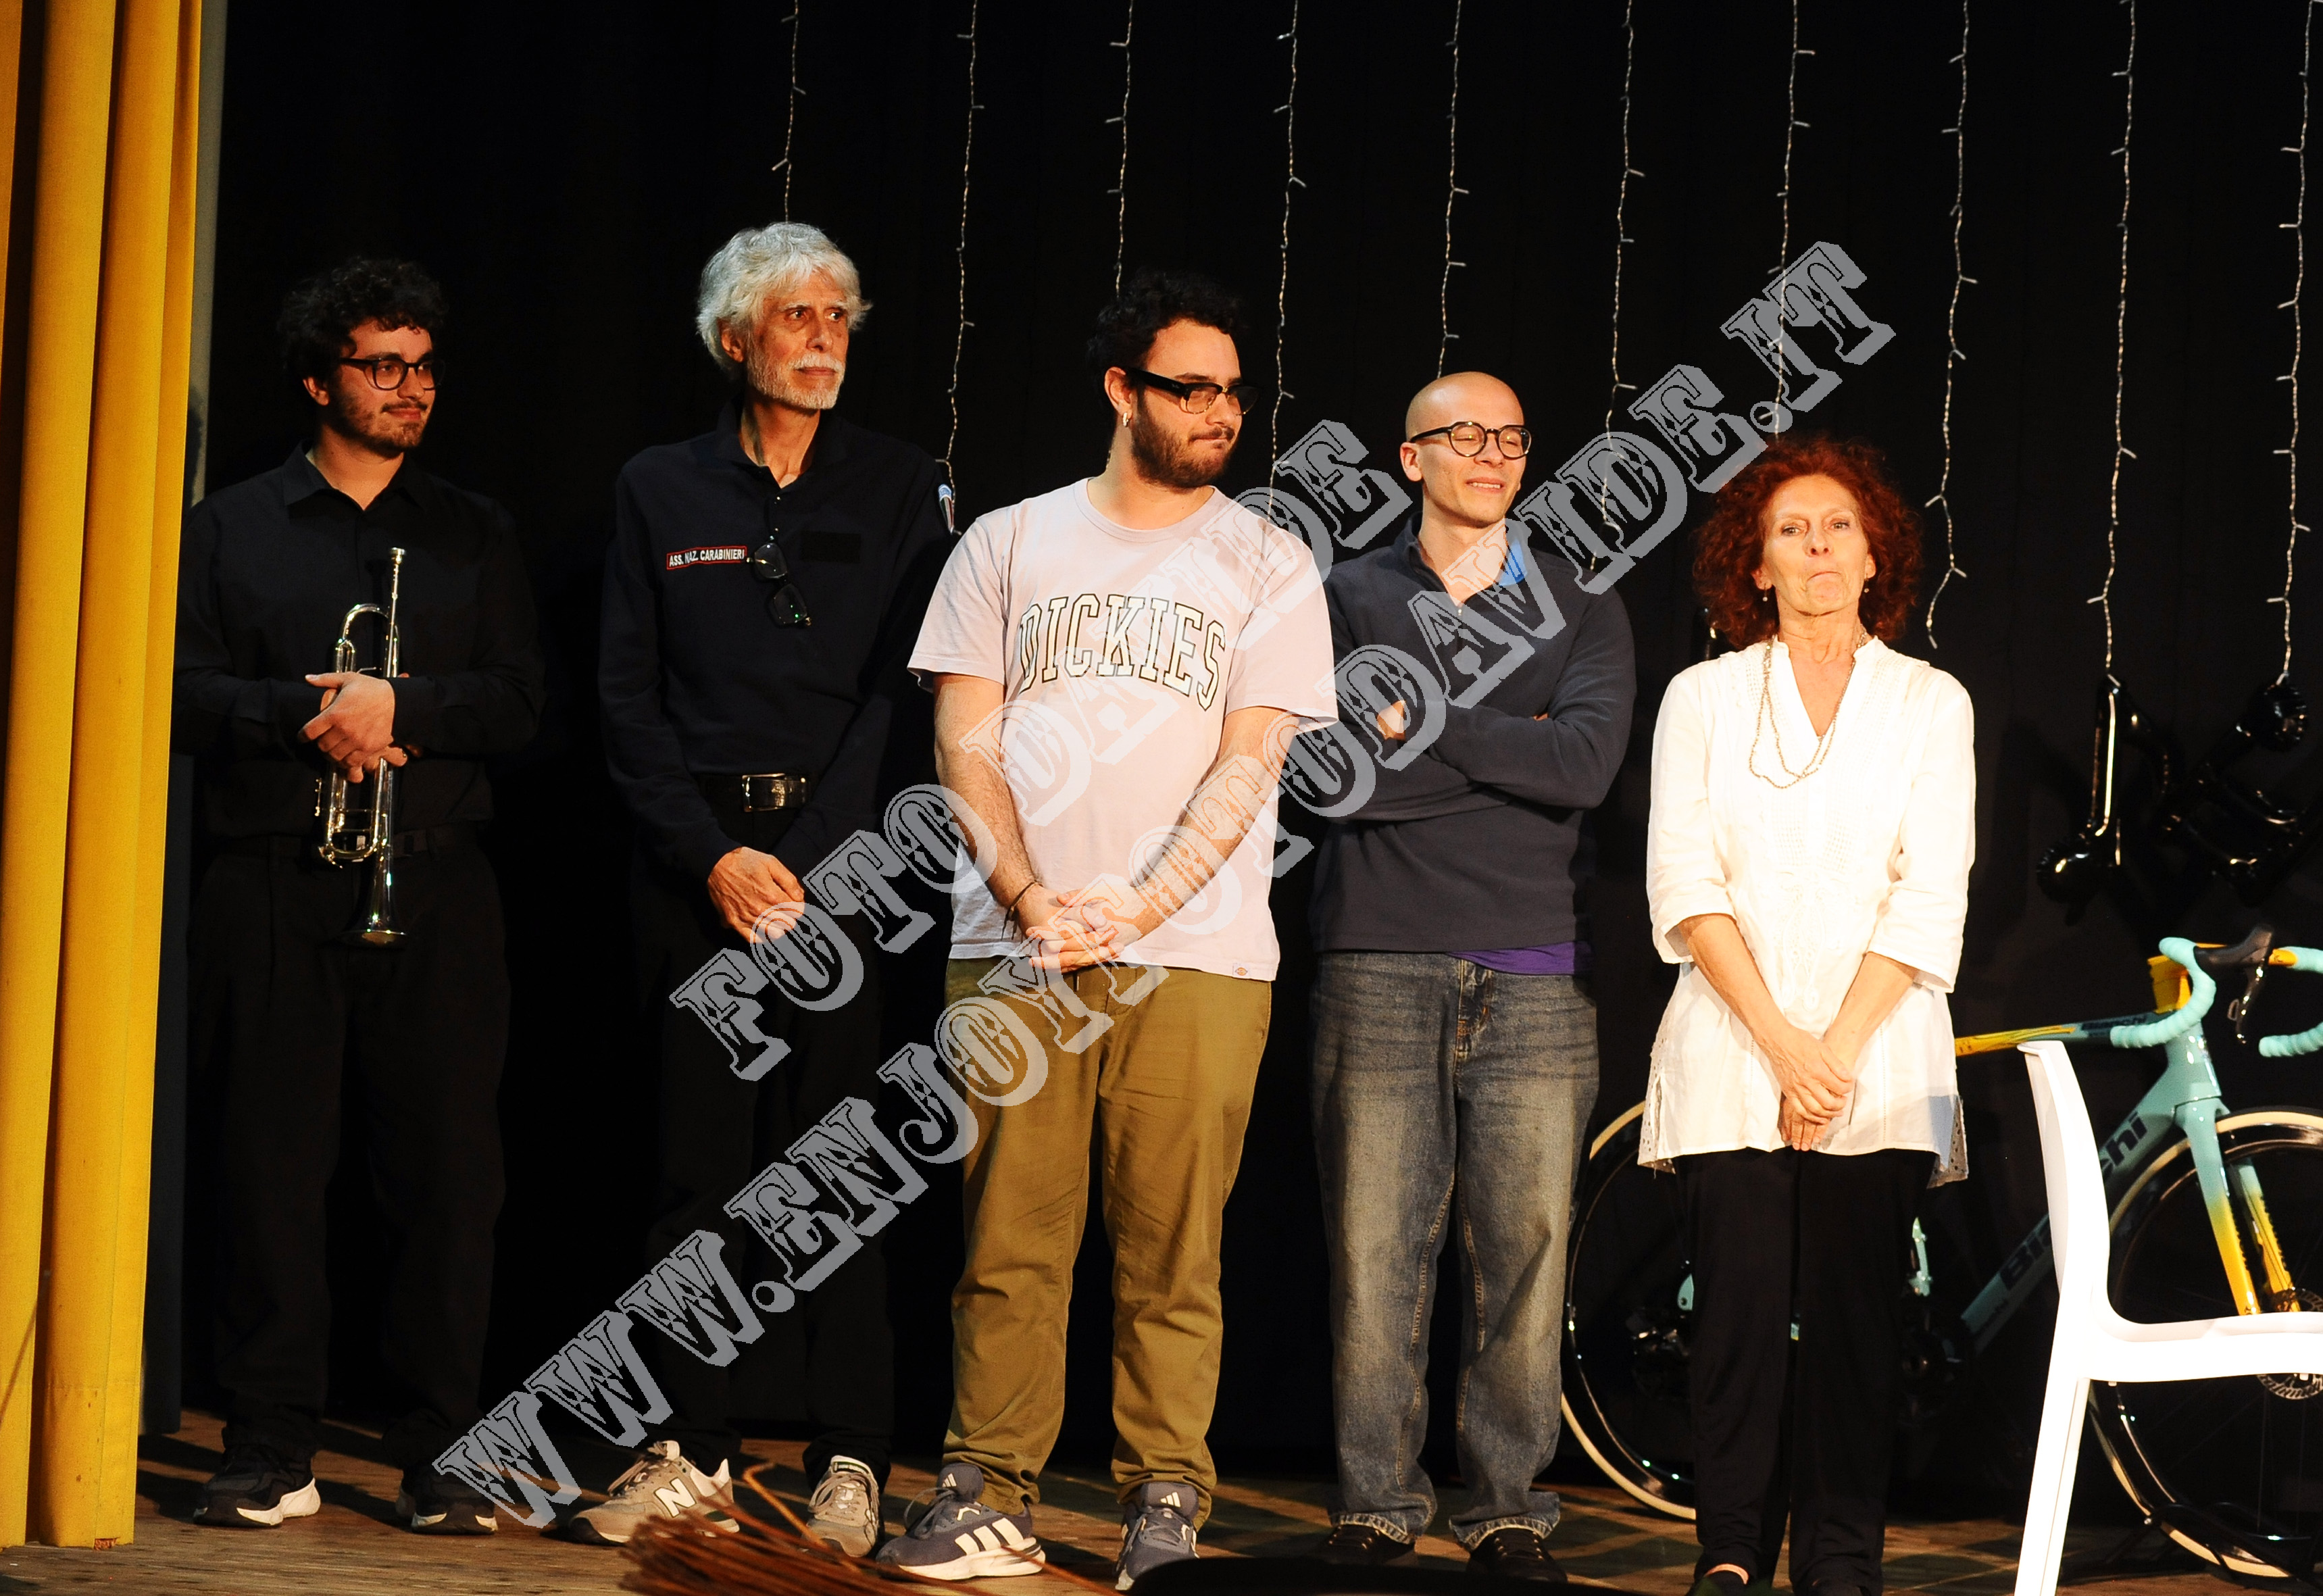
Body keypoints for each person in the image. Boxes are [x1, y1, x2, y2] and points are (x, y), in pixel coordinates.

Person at [873, 269, 1334, 1590]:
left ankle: (1163, 1498)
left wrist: (1139, 902)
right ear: (1122, 390)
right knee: (1006, 1241)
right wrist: (1032, 898)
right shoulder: (1009, 542)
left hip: (1198, 954)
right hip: (1015, 942)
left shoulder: (1268, 559)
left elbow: (1250, 761)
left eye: (1234, 392)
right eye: (1191, 389)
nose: (1221, 413)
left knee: (1173, 1250)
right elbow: (962, 742)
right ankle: (985, 1487)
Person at [584, 222, 947, 1555]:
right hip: (699, 870)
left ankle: (851, 1458)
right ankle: (687, 1447)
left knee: (839, 1169)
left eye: (839, 318)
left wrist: (811, 864)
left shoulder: (902, 484)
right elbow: (625, 697)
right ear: (733, 337)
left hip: (842, 873)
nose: (824, 340)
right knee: (692, 1175)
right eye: (798, 316)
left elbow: (904, 693)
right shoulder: (658, 487)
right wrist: (713, 856)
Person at [177, 258, 543, 1535]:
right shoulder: (230, 528)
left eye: (423, 366)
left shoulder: (475, 529)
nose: (410, 387)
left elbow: (520, 700)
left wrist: (403, 707)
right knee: (270, 1174)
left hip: (437, 886)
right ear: (318, 378)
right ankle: (271, 1445)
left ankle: (442, 1448)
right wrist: (309, 718)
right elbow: (179, 689)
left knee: (448, 1181)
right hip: (271, 883)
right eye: (383, 365)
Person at [1307, 372, 1633, 1580]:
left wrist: (1426, 719)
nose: (1492, 453)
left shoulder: (1582, 601)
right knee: (1373, 1248)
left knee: (1525, 1252)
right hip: (1376, 956)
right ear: (1411, 458)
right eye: (1463, 435)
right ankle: (1377, 1501)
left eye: (1511, 436)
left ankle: (1505, 1504)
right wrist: (1513, 747)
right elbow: (1333, 780)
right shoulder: (1346, 596)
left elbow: (1585, 766)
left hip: (1539, 969)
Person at [1641, 434, 1972, 1596]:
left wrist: (1830, 1056)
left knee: (1855, 1331)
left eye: (1840, 527)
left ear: (1876, 556)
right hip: (1734, 1050)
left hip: (1878, 1059)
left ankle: (1840, 1562)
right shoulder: (1703, 697)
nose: (1819, 547)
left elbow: (1930, 895)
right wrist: (1784, 1046)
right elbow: (1683, 882)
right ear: (1758, 563)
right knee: (1735, 1324)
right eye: (1793, 530)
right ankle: (1731, 1551)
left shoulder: (1929, 702)